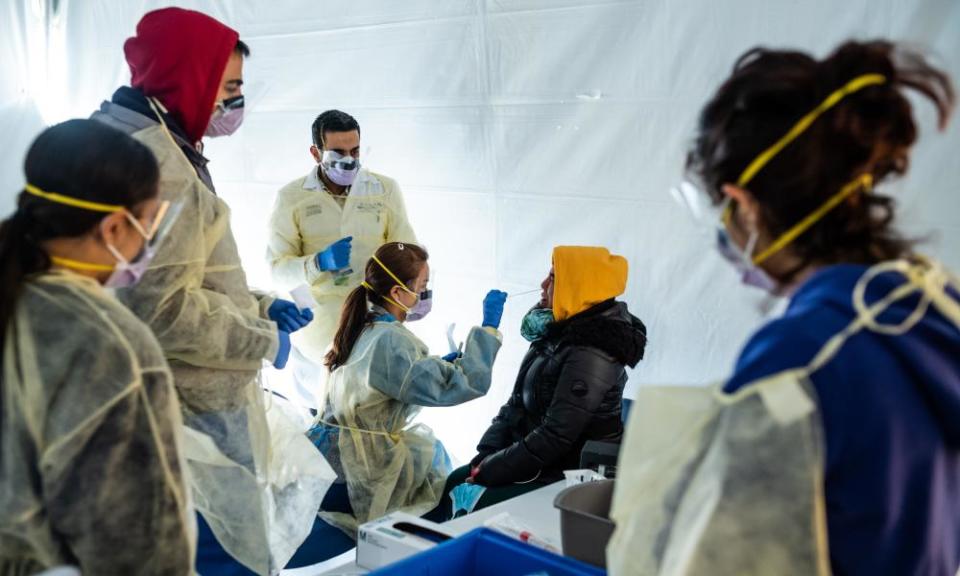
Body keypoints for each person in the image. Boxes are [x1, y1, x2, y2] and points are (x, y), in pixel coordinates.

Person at [608, 40, 959, 575]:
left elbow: (723, 555)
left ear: (744, 206)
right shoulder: (932, 303)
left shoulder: (804, 351)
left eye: (722, 211)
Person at [90, 8, 328, 575]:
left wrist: (259, 303)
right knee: (225, 550)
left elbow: (183, 271)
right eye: (231, 87)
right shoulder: (160, 167)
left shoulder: (126, 135)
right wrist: (260, 338)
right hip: (188, 410)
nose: (238, 103)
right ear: (188, 75)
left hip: (137, 395)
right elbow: (164, 310)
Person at [0, 120, 193, 574]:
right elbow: (139, 546)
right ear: (112, 228)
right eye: (148, 222)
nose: (148, 238)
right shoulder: (107, 341)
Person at [308, 242, 507, 534]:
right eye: (422, 285)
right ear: (397, 293)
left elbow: (388, 373)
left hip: (326, 455)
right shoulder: (392, 340)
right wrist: (488, 329)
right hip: (357, 467)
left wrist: (437, 364)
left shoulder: (363, 324)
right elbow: (462, 385)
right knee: (438, 494)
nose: (425, 292)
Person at [439, 246, 647, 519]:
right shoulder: (559, 332)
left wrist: (493, 469)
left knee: (478, 504)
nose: (543, 284)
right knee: (456, 479)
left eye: (553, 278)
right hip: (540, 461)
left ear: (579, 286)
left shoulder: (593, 351)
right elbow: (515, 404)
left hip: (568, 474)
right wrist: (487, 453)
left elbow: (556, 435)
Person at [267, 109, 417, 410]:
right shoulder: (292, 197)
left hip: (375, 323)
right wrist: (317, 263)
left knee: (377, 416)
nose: (349, 159)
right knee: (324, 417)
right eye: (337, 152)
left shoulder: (384, 190)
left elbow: (407, 251)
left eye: (355, 150)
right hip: (319, 330)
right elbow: (277, 270)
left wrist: (419, 292)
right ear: (315, 152)